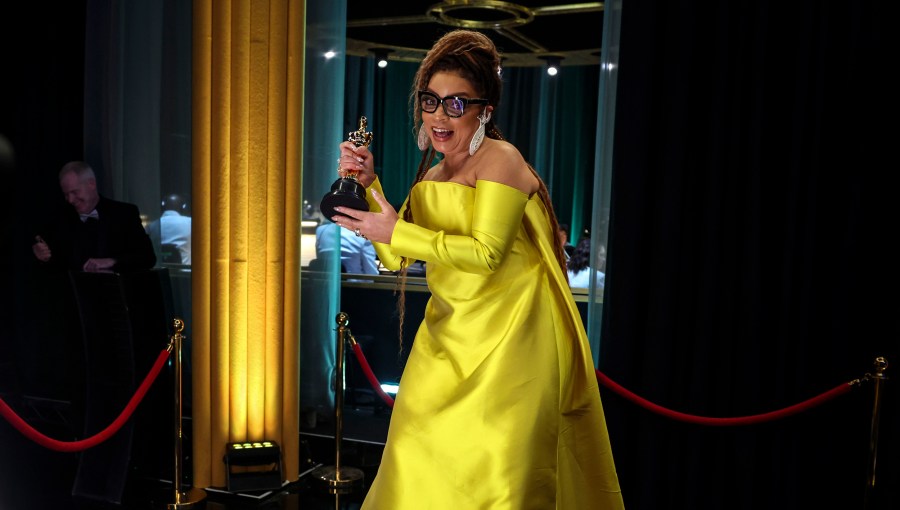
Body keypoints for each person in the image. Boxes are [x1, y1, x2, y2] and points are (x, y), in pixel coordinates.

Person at [329, 30, 624, 509]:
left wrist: (396, 231)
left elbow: (486, 253)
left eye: (456, 104)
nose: (440, 116)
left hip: (513, 342)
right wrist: (368, 184)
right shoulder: (431, 176)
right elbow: (397, 257)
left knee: (500, 477)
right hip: (447, 341)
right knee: (416, 458)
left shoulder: (501, 160)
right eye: (431, 101)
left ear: (485, 109)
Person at [32, 161, 156, 272]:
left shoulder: (124, 213)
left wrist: (112, 261)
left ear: (91, 184)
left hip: (115, 294)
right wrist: (42, 256)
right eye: (66, 194)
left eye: (75, 192)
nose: (70, 200)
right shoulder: (60, 218)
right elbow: (54, 264)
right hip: (73, 296)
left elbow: (148, 258)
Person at [314, 220, 379, 275]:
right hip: (354, 287)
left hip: (326, 285)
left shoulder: (321, 230)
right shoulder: (364, 233)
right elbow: (370, 272)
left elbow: (319, 259)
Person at [146, 192, 192, 264]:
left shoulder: (152, 226)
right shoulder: (190, 223)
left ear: (163, 206)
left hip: (159, 271)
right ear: (183, 207)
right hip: (185, 272)